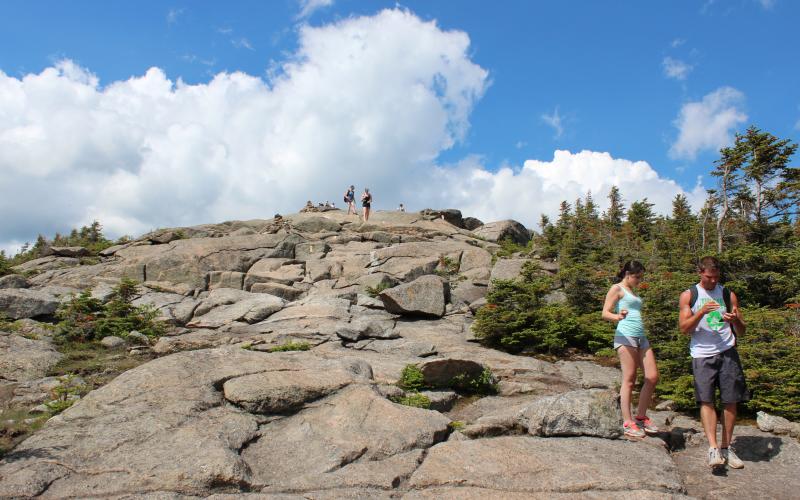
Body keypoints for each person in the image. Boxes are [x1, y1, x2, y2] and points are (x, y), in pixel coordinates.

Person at [679, 256, 747, 469]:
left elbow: (742, 331)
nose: (713, 281)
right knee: (706, 400)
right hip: (702, 354)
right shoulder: (690, 295)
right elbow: (684, 328)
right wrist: (700, 312)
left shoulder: (727, 294)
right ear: (700, 273)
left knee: (730, 400)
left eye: (716, 277)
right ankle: (713, 448)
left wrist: (735, 320)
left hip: (727, 351)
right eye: (709, 277)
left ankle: (727, 447)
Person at [602, 260, 659, 439]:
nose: (639, 280)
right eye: (637, 277)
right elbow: (605, 312)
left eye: (640, 277)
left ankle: (641, 417)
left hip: (641, 337)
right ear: (628, 274)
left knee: (652, 376)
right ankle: (628, 422)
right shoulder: (617, 288)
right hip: (625, 336)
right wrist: (618, 316)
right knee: (629, 379)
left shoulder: (631, 291)